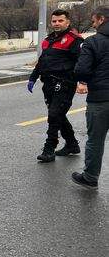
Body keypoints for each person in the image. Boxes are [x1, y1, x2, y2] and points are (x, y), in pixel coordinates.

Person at [27, 9, 84, 162]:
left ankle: (49, 149)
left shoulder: (74, 39)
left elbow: (83, 62)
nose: (57, 24)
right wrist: (33, 77)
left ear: (68, 22)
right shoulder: (48, 40)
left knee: (53, 115)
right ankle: (72, 144)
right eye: (54, 21)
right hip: (48, 84)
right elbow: (42, 61)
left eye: (60, 21)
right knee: (58, 115)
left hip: (65, 84)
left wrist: (82, 81)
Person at [71, 7, 109, 191]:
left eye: (94, 22)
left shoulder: (93, 42)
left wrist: (83, 80)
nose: (93, 25)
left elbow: (81, 69)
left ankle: (90, 177)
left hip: (100, 99)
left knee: (95, 139)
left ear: (102, 19)